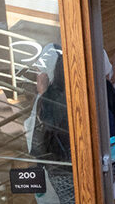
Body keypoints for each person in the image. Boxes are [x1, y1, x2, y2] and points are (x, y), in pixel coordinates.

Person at [33, 55, 75, 202]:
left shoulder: (48, 98)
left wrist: (40, 163)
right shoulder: (101, 88)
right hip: (93, 161)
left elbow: (42, 133)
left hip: (60, 166)